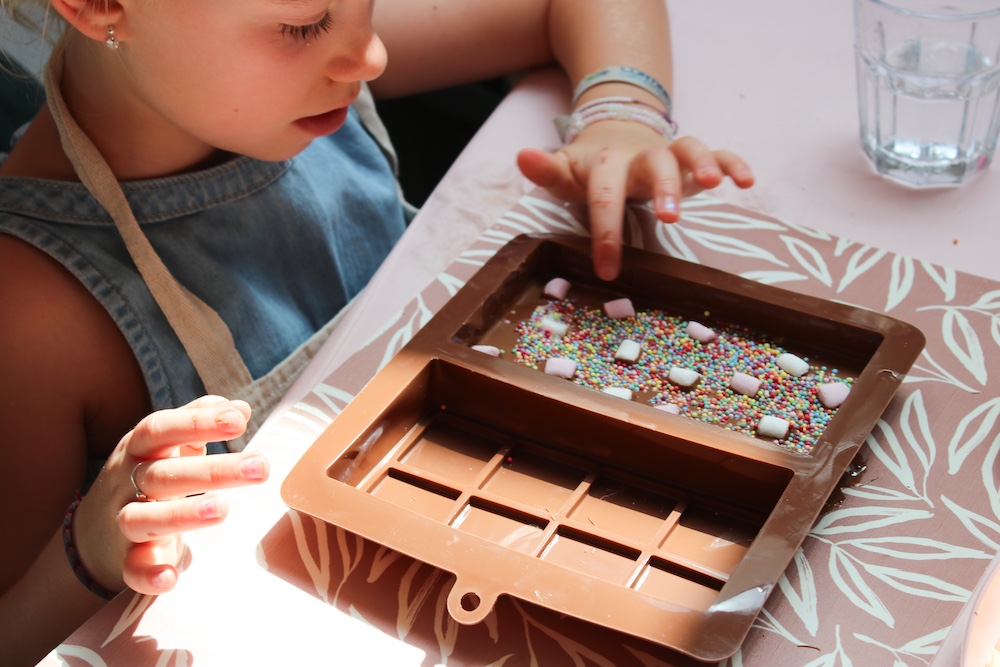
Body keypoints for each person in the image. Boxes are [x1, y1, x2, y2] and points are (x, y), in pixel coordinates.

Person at [0, 0, 754, 663]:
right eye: (301, 25)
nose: (372, 54)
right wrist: (87, 554)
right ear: (97, 5)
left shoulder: (312, 53)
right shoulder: (30, 315)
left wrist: (619, 112)